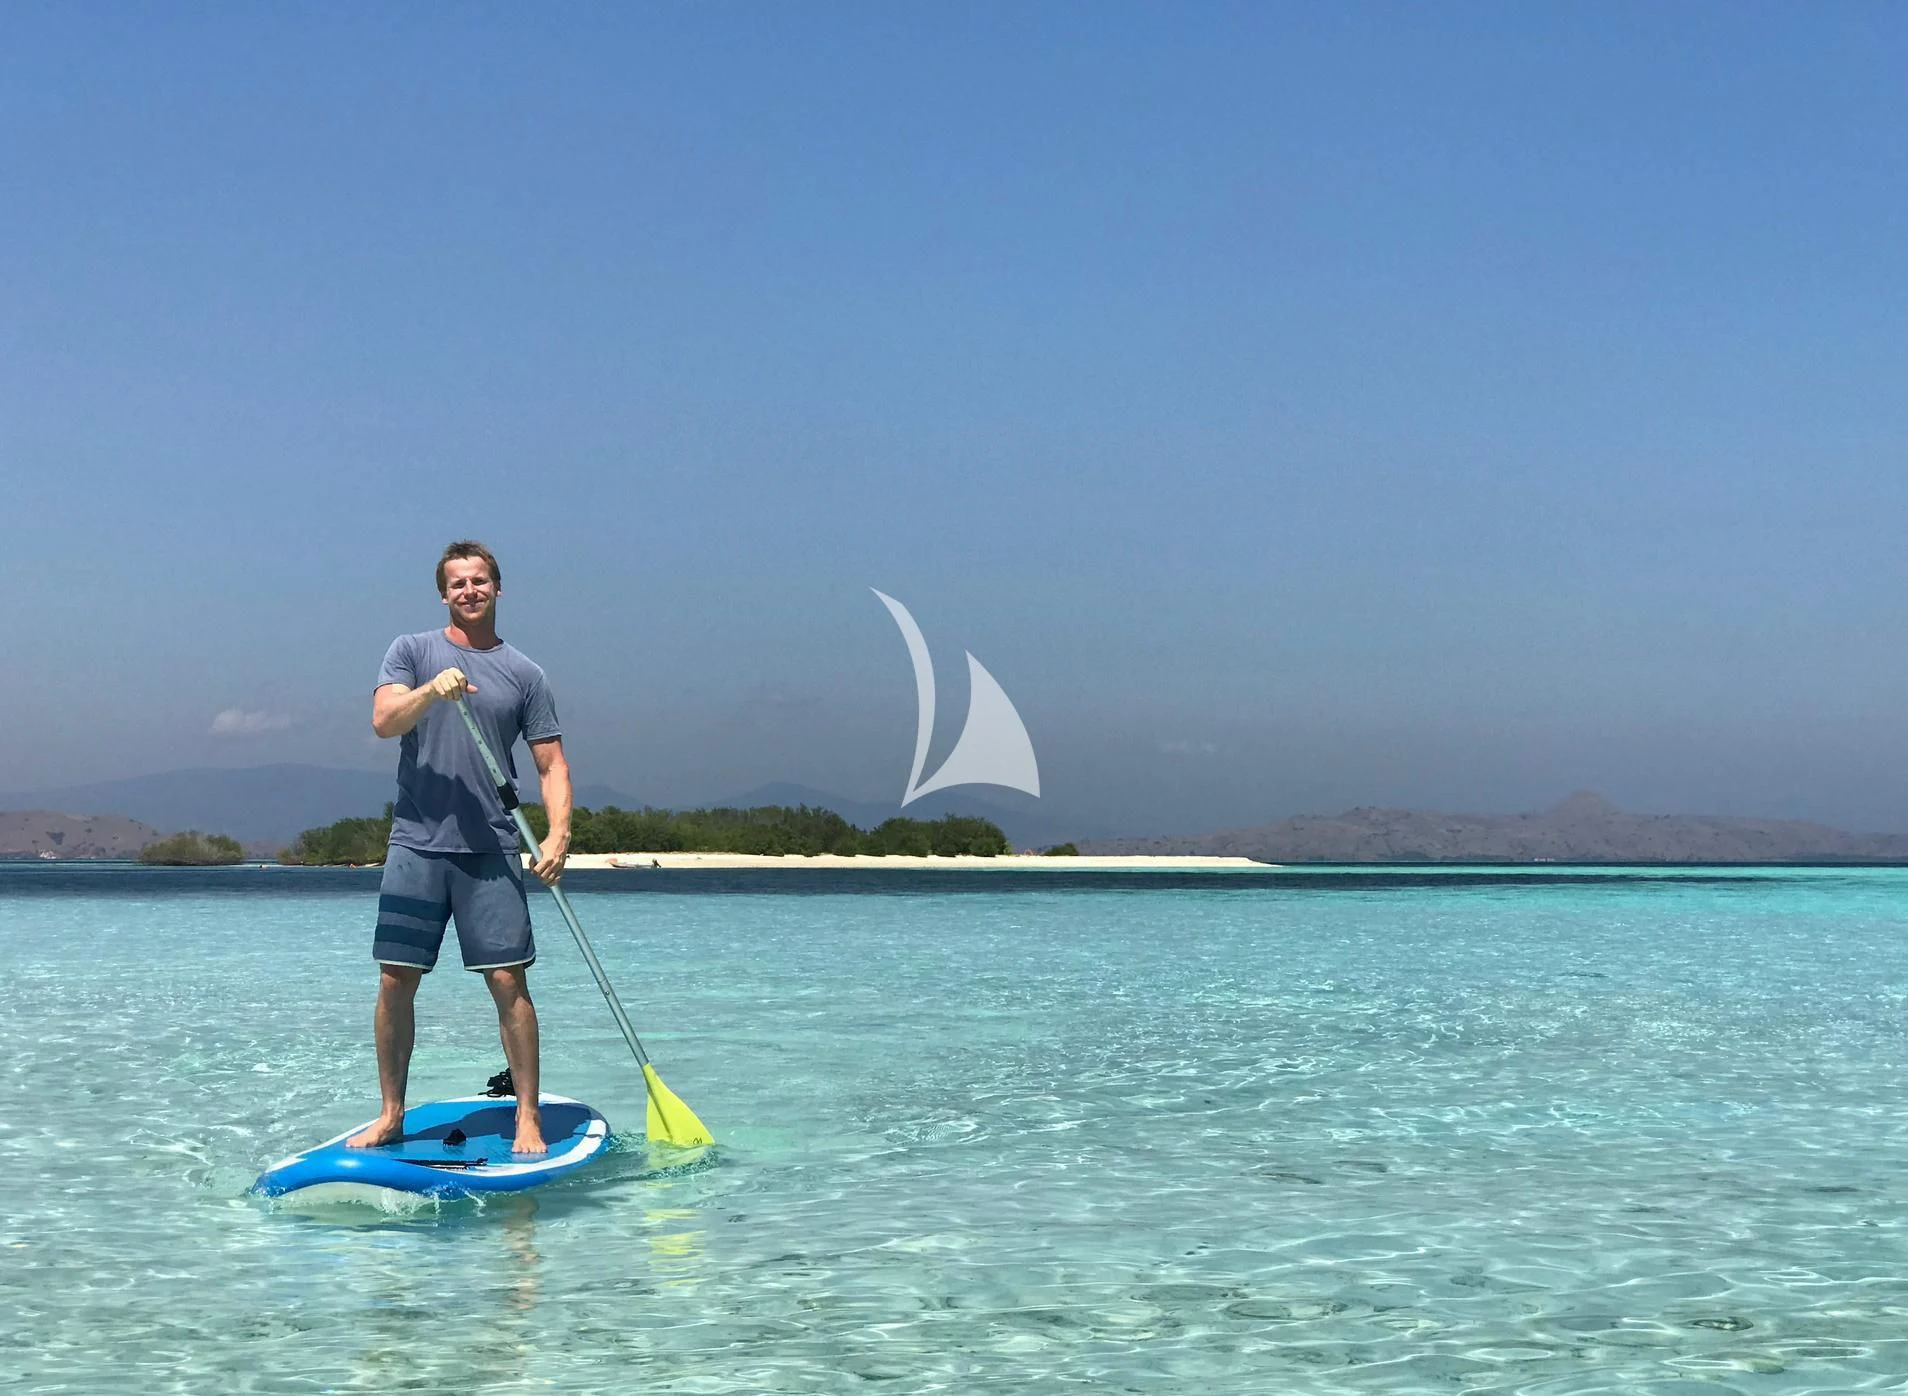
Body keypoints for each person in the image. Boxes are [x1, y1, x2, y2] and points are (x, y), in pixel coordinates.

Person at [348, 540, 571, 1155]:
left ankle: (528, 1115)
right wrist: (430, 693)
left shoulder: (526, 674)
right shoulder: (412, 652)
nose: (468, 591)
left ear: (499, 588)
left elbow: (550, 765)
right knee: (397, 979)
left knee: (507, 980)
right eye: (456, 584)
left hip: (492, 848)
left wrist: (557, 835)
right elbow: (384, 721)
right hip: (416, 844)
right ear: (444, 594)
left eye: (479, 581)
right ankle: (391, 1112)